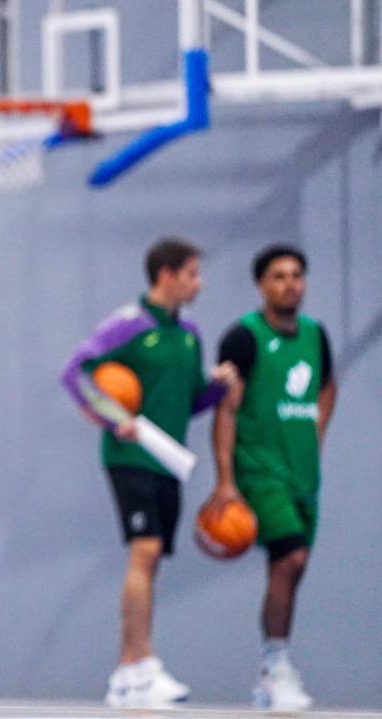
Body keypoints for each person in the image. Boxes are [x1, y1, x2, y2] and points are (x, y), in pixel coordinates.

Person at [61, 238, 236, 708]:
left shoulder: (190, 334)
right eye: (193, 274)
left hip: (168, 459)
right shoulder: (128, 325)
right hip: (130, 458)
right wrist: (109, 415)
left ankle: (132, 673)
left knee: (153, 558)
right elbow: (76, 372)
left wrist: (217, 390)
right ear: (167, 275)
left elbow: (191, 401)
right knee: (146, 548)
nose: (198, 283)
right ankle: (137, 664)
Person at [206, 244, 337, 710]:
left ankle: (272, 671)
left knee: (292, 569)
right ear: (262, 285)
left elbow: (327, 387)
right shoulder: (243, 337)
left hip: (303, 474)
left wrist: (314, 435)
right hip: (259, 472)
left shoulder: (316, 336)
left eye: (297, 275)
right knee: (291, 558)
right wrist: (226, 480)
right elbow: (225, 410)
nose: (290, 284)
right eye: (279, 276)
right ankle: (275, 664)